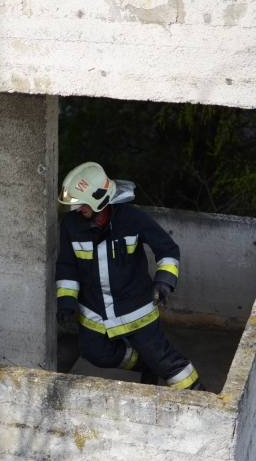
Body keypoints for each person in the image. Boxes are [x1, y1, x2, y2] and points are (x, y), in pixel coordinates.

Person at [55, 162, 205, 390]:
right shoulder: (70, 226)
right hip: (95, 311)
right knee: (94, 352)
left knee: (163, 360)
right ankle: (147, 365)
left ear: (98, 199)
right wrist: (65, 301)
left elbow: (168, 249)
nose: (76, 210)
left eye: (80, 204)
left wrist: (164, 281)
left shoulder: (132, 219)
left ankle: (199, 397)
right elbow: (67, 265)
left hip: (136, 309)